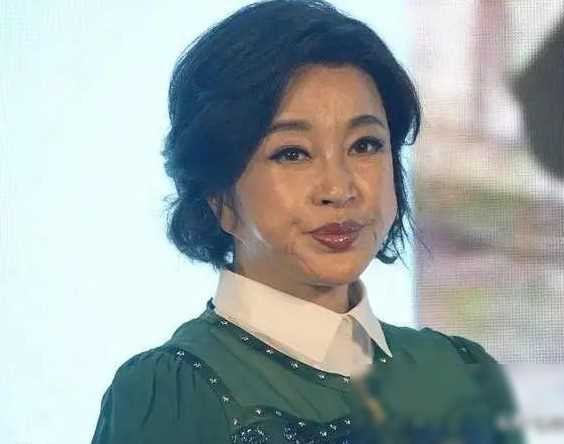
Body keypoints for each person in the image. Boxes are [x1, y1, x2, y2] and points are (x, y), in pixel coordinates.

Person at [91, 1, 524, 443]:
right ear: (217, 193)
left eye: (365, 145)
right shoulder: (173, 394)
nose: (339, 188)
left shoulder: (461, 375)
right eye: (292, 153)